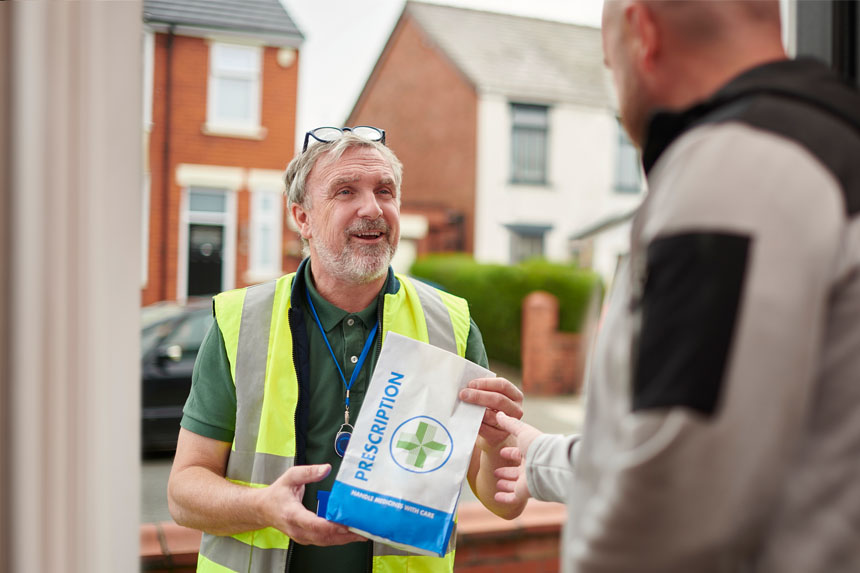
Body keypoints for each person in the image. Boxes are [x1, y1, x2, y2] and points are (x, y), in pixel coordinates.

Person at [494, 1, 860, 572]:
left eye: (610, 66)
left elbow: (671, 502)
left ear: (642, 33)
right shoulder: (828, 149)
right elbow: (741, 439)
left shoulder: (733, 168)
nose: (618, 97)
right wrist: (537, 454)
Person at [167, 126, 527, 573]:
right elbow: (184, 491)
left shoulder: (451, 324)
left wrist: (497, 447)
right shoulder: (241, 323)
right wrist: (263, 507)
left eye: (385, 191)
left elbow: (504, 503)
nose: (372, 208)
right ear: (302, 218)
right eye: (345, 191)